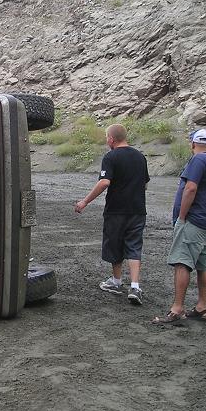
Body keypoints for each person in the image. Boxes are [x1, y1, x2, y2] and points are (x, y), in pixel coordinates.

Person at [152, 129, 206, 323]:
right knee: (203, 263)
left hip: (195, 220)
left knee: (182, 262)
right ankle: (202, 307)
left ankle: (177, 309)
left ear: (193, 144)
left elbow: (190, 188)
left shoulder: (198, 160)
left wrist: (182, 217)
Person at [75, 124, 150, 305]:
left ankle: (116, 281)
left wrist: (85, 201)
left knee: (115, 244)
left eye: (106, 137)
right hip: (137, 210)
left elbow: (104, 182)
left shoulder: (111, 156)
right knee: (134, 246)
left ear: (111, 139)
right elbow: (145, 183)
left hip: (116, 210)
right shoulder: (140, 157)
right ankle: (135, 286)